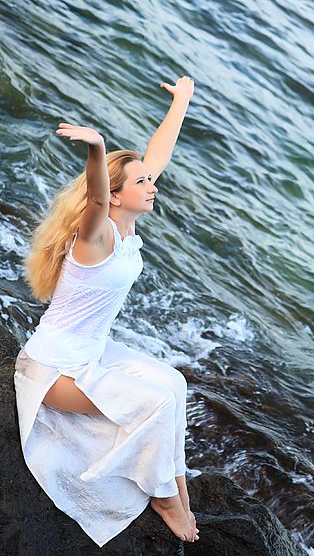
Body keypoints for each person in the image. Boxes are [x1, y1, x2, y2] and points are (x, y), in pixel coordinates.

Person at [13, 76, 200, 547]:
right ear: (116, 195)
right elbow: (96, 196)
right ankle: (164, 497)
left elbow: (157, 156)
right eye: (140, 182)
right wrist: (97, 147)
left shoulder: (126, 228)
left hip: (92, 354)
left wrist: (182, 101)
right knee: (155, 403)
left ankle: (177, 486)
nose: (152, 186)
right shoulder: (94, 238)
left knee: (174, 384)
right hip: (50, 370)